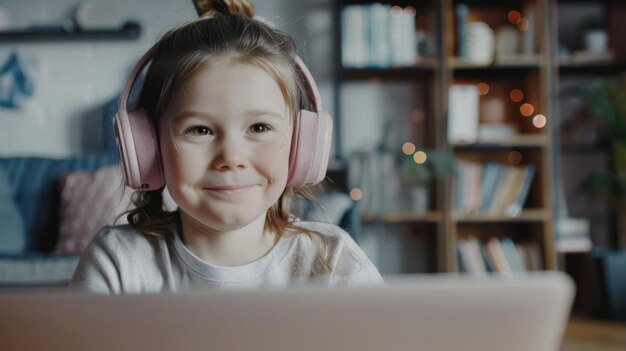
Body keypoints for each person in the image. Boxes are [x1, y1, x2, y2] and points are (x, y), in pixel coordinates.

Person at [71, 0, 383, 294]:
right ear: (149, 145)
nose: (230, 158)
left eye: (259, 127)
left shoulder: (334, 264)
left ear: (302, 144)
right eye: (200, 130)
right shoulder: (118, 264)